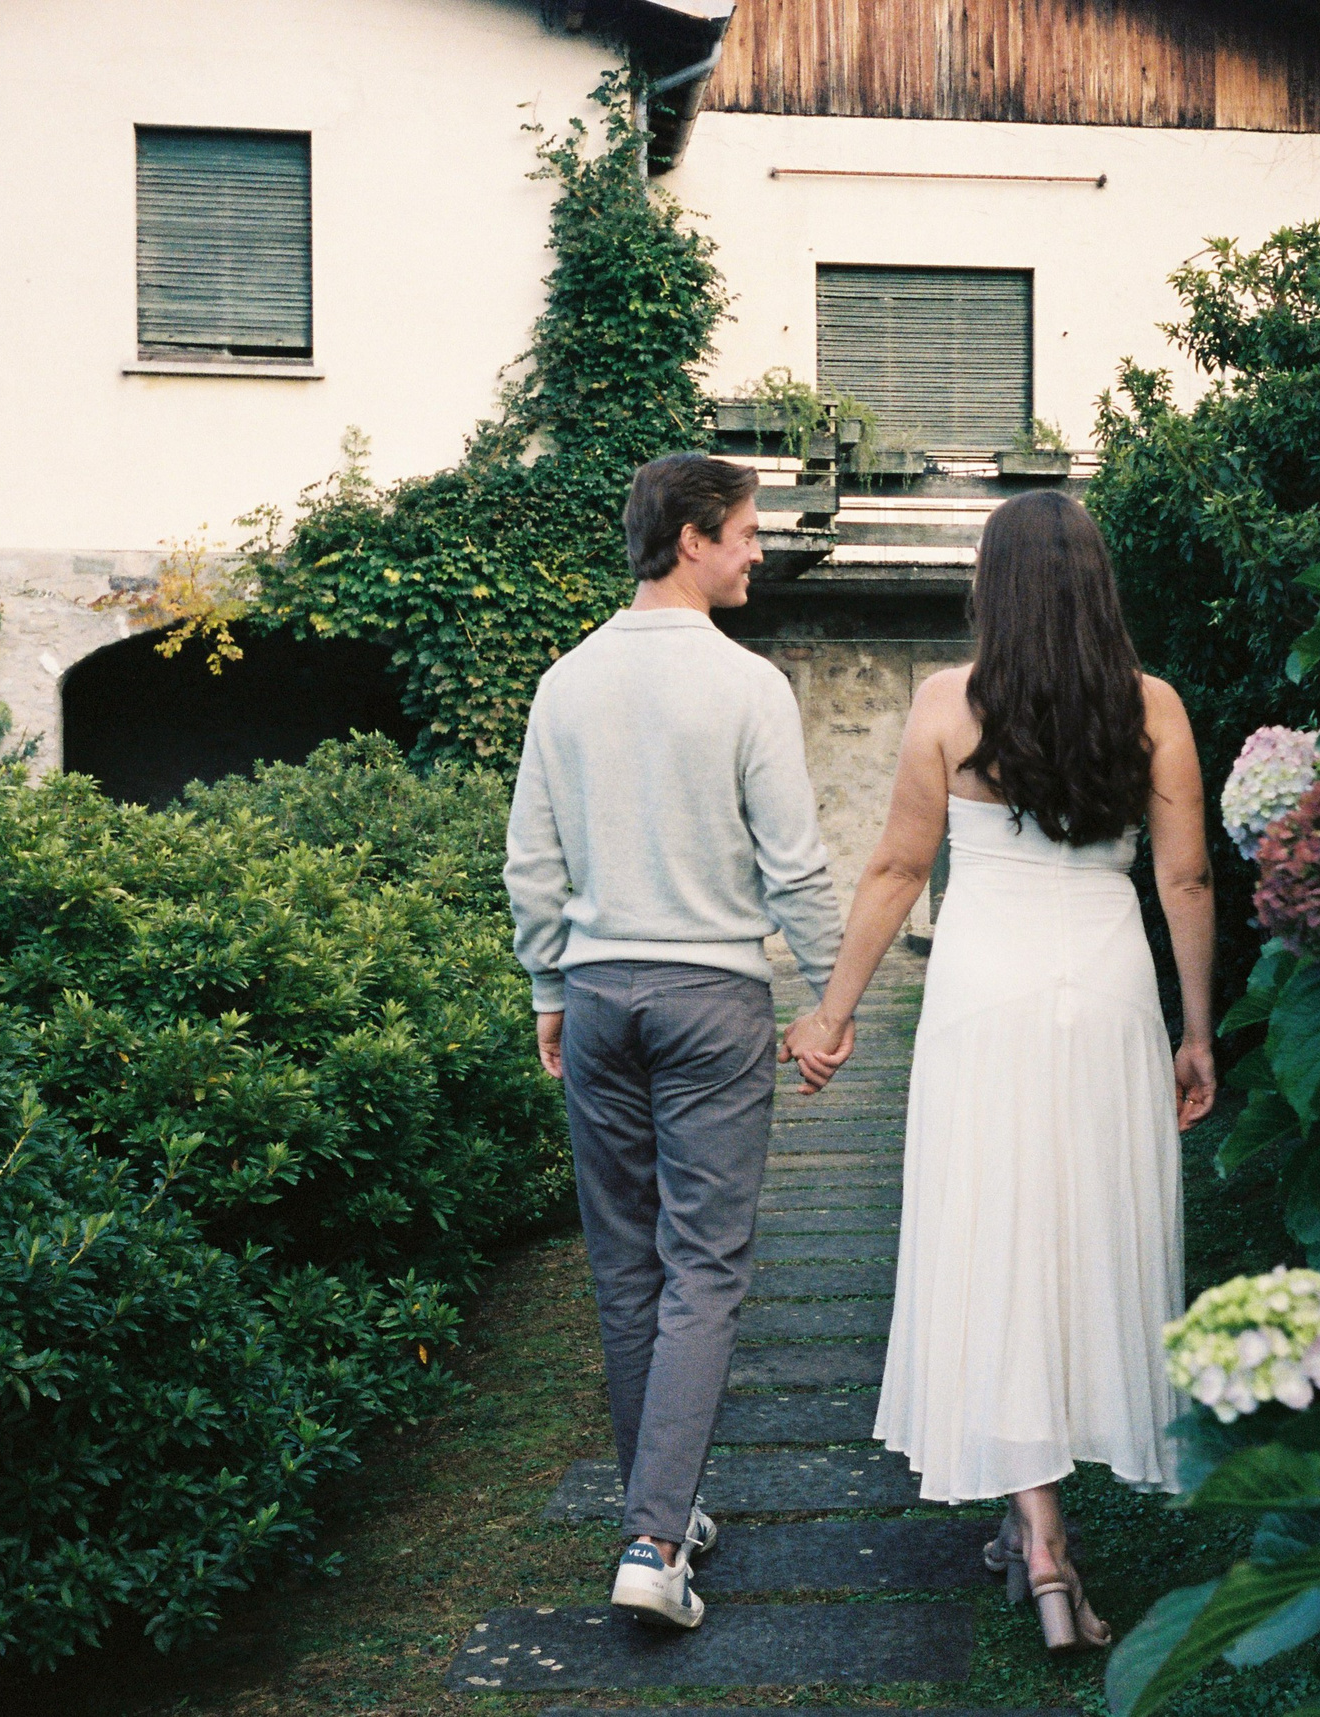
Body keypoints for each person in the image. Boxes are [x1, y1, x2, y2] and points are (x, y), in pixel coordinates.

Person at [781, 488, 1217, 1651]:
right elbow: (1184, 882)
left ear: (995, 584)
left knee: (996, 1234)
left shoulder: (944, 703)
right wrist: (1197, 1028)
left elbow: (891, 871)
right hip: (1107, 986)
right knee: (1085, 1230)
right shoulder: (1154, 707)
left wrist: (830, 1012)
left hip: (984, 994)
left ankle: (1038, 1537)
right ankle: (1049, 1526)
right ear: (1094, 582)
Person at [506, 453, 849, 1630]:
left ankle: (660, 1501)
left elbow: (532, 861)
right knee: (704, 1267)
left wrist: (550, 983)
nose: (759, 550)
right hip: (711, 1001)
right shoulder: (748, 686)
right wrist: (830, 996)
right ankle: (653, 1540)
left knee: (626, 1266)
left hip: (600, 999)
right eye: (750, 530)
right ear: (695, 535)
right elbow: (793, 864)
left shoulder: (566, 681)